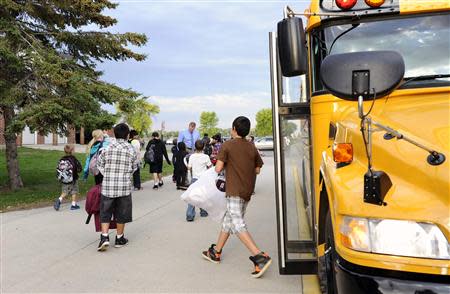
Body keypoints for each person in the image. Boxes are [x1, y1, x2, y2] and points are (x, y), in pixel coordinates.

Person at [201, 116, 271, 278]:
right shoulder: (251, 147)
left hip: (233, 190)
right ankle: (216, 252)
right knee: (229, 221)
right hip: (247, 191)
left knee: (238, 223)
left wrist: (227, 165)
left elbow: (218, 169)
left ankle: (259, 256)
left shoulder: (228, 145)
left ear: (234, 129)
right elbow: (257, 169)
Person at [96, 123, 139, 252]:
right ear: (127, 135)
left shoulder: (107, 148)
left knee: (105, 212)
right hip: (124, 187)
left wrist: (108, 174)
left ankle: (104, 237)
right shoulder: (131, 150)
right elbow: (135, 167)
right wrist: (125, 175)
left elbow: (99, 164)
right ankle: (119, 238)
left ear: (114, 134)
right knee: (122, 212)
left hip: (108, 186)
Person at [185, 140, 211, 221]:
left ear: (195, 147)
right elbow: (210, 166)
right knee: (203, 196)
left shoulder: (192, 156)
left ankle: (190, 215)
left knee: (192, 196)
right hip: (203, 179)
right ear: (203, 147)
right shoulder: (206, 156)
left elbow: (189, 167)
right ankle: (203, 212)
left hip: (195, 179)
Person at [54, 144, 83, 211]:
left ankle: (59, 200)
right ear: (72, 151)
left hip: (64, 178)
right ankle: (73, 205)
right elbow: (79, 168)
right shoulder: (73, 159)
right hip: (73, 179)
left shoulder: (62, 159)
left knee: (64, 191)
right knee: (74, 191)